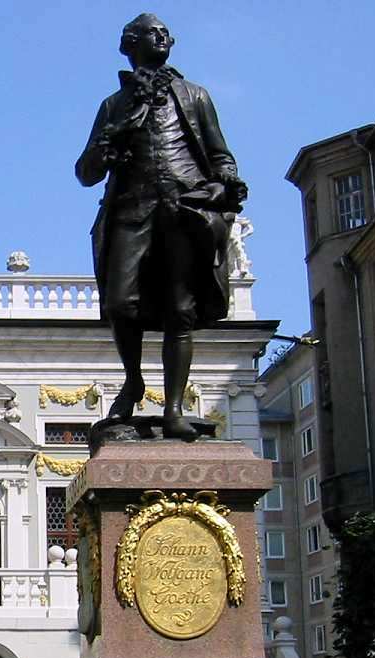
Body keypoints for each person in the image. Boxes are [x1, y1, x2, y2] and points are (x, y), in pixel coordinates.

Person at [76, 13, 246, 438]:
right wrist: (109, 142)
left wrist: (224, 183)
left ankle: (173, 409)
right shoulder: (114, 105)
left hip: (185, 208)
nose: (165, 37)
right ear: (132, 44)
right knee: (119, 303)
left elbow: (219, 151)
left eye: (167, 32)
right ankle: (133, 379)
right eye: (154, 33)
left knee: (180, 310)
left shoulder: (194, 95)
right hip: (132, 210)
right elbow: (85, 172)